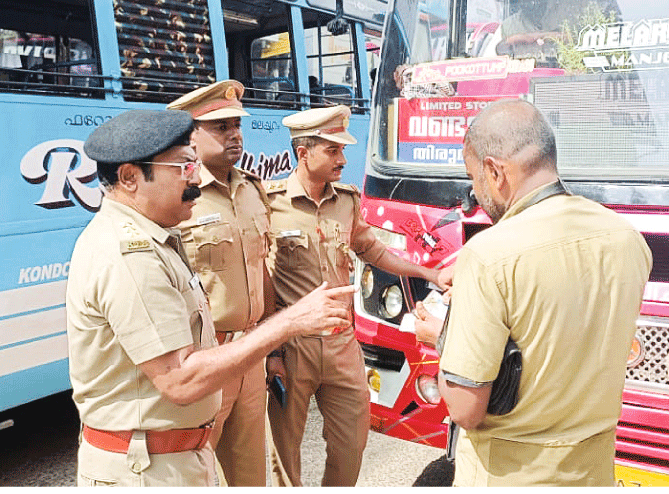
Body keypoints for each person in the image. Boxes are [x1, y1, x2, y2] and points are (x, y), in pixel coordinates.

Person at [67, 108, 356, 487]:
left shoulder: (157, 236)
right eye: (183, 167)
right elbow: (180, 380)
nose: (194, 179)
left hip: (171, 459)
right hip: (146, 470)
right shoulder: (129, 255)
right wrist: (289, 322)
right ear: (129, 178)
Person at [436, 99, 652, 486]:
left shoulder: (487, 255)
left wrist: (440, 335)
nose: (475, 193)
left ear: (495, 171)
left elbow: (465, 408)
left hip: (510, 476)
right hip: (593, 472)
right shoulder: (626, 237)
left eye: (474, 178)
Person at [264, 104, 449, 486]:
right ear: (303, 153)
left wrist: (429, 273)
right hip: (293, 344)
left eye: (343, 150)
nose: (343, 160)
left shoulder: (347, 201)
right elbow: (259, 279)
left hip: (341, 343)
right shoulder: (269, 202)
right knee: (285, 452)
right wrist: (272, 351)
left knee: (351, 441)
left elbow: (375, 252)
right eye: (333, 150)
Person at [166, 80, 277, 486]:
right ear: (190, 137)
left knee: (251, 476)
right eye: (221, 127)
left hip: (251, 356)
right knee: (195, 473)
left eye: (237, 125)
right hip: (206, 359)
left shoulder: (250, 189)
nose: (235, 135)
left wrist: (272, 345)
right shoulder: (177, 198)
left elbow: (262, 269)